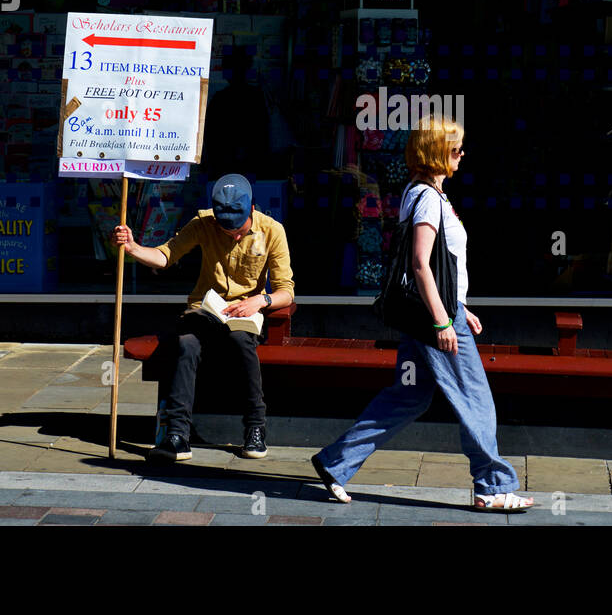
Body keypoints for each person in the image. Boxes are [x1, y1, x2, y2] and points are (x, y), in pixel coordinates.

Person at [310, 115, 535, 511]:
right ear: (436, 153)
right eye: (454, 149)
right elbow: (420, 263)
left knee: (408, 397)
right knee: (476, 398)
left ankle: (335, 462)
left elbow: (440, 269)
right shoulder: (429, 198)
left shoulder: (421, 193)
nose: (462, 154)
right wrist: (444, 320)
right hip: (434, 320)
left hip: (433, 314)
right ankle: (493, 486)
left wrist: (460, 308)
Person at [113, 173, 294, 461]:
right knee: (185, 344)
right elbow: (166, 256)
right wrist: (133, 248)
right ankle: (177, 435)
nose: (233, 234)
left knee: (242, 343)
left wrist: (260, 300)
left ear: (252, 209)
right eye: (226, 229)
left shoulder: (273, 230)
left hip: (244, 313)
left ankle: (255, 429)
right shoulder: (202, 224)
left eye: (238, 229)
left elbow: (287, 291)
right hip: (205, 309)